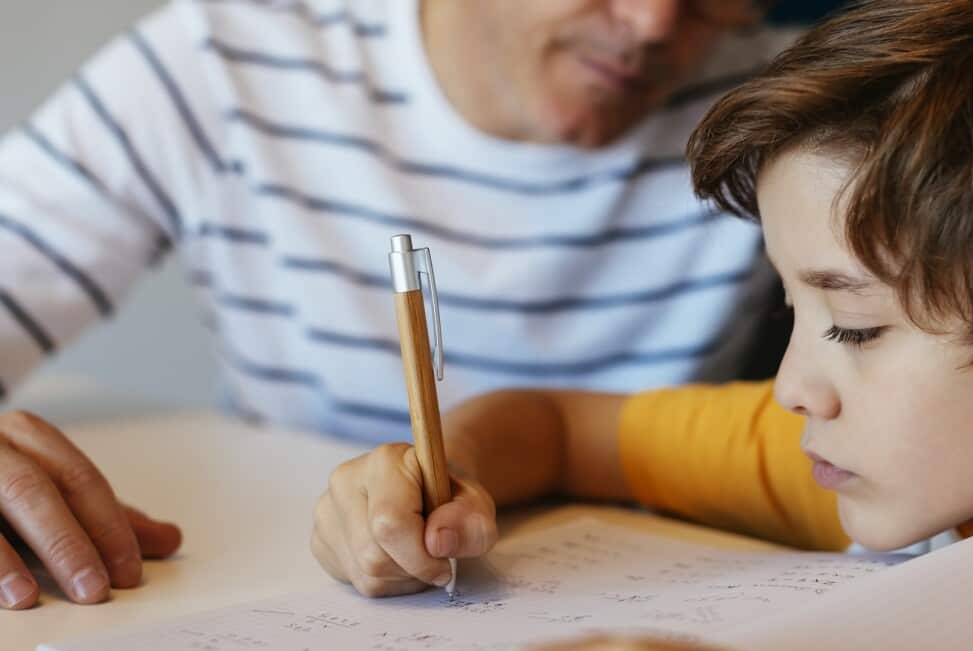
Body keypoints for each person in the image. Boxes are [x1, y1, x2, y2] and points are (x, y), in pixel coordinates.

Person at [313, 0, 973, 651]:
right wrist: (436, 476)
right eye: (794, 311)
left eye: (855, 328)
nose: (791, 388)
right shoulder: (877, 458)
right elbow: (558, 428)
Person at [0, 0, 802, 611]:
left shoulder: (794, 103)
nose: (654, 22)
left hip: (637, 603)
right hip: (271, 590)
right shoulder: (221, 60)